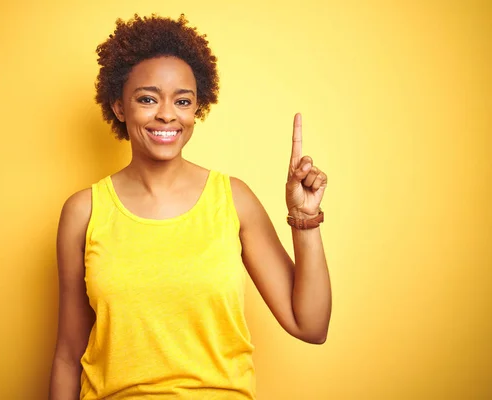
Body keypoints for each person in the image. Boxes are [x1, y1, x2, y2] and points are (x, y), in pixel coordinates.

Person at [49, 14, 331, 400]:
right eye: (148, 99)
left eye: (183, 101)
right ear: (119, 107)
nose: (167, 114)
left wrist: (305, 220)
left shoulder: (233, 199)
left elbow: (310, 326)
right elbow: (68, 353)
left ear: (196, 109)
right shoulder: (84, 211)